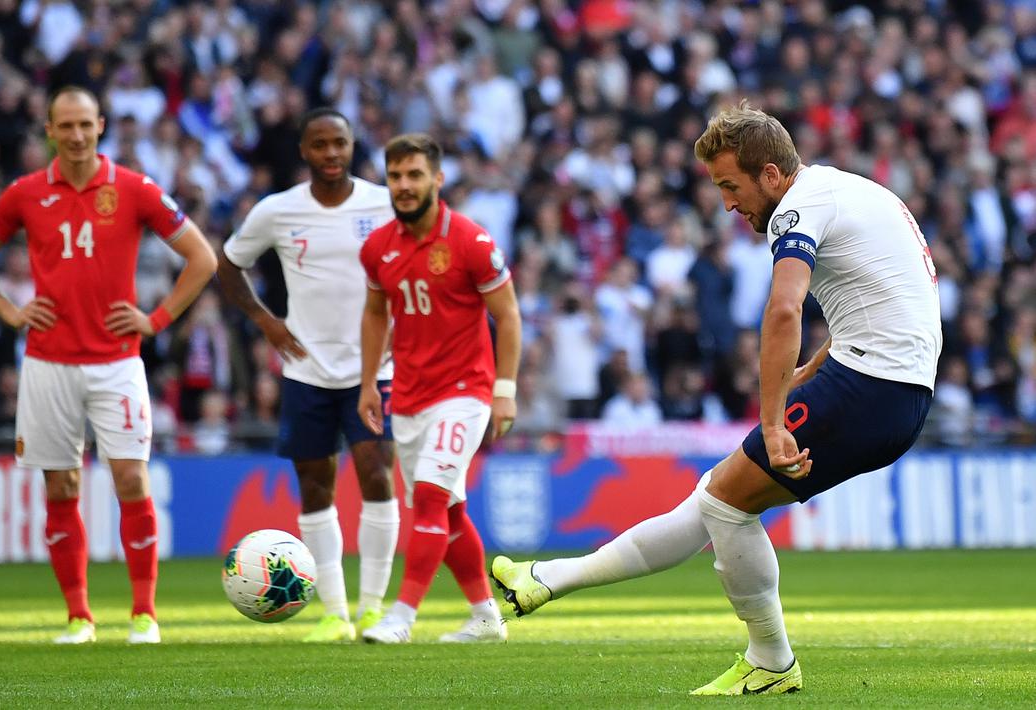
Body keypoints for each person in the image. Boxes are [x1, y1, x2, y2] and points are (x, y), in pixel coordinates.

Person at [492, 102, 942, 693]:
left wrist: (773, 419)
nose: (729, 204)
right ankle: (546, 578)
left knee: (727, 505)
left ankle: (771, 659)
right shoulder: (847, 190)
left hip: (871, 387)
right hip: (895, 389)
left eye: (732, 186)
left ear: (772, 175)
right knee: (712, 498)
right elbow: (888, 298)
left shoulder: (798, 210)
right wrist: (813, 367)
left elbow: (784, 310)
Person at [0, 85, 217, 645]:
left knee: (130, 477)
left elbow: (202, 256)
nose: (76, 135)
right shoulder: (25, 194)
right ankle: (79, 617)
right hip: (48, 362)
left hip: (117, 362)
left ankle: (144, 613)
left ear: (100, 125)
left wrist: (159, 318)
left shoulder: (134, 188)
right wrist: (7, 310)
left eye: (85, 124)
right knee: (61, 486)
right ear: (49, 131)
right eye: (65, 126)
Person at [217, 108, 400, 642]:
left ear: (351, 145)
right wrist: (263, 321)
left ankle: (372, 607)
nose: (330, 154)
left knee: (376, 475)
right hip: (305, 370)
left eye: (339, 143)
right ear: (304, 151)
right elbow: (228, 264)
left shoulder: (383, 203)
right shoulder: (277, 211)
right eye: (319, 145)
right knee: (315, 486)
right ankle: (333, 613)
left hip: (374, 369)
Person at [357, 133, 522, 644]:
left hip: (464, 392)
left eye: (414, 175)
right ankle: (486, 617)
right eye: (395, 176)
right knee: (447, 510)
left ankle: (401, 616)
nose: (404, 186)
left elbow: (508, 315)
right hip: (407, 396)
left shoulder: (471, 241)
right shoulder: (377, 248)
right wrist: (368, 384)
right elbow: (374, 313)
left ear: (437, 179)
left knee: (428, 496)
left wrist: (505, 389)